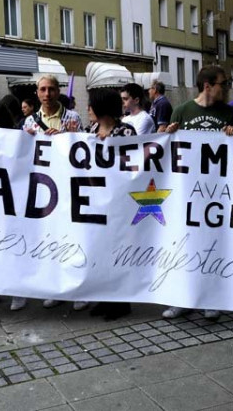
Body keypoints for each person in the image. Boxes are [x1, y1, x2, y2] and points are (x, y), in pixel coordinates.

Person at [164, 65, 233, 320]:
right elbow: (167, 150)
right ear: (208, 85)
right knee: (183, 244)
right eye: (223, 83)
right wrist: (167, 134)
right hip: (187, 191)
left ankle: (210, 298)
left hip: (216, 191)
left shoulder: (229, 113)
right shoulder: (182, 111)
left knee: (213, 245)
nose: (226, 88)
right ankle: (182, 298)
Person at [21, 74, 83, 311]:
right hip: (45, 189)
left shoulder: (73, 118)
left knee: (73, 238)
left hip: (70, 185)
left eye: (51, 89)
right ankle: (54, 288)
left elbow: (85, 147)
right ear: (37, 93)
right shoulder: (29, 122)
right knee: (49, 239)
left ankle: (78, 290)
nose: (47, 94)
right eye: (43, 90)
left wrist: (67, 138)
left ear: (59, 91)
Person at [82, 89, 138, 321]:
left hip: (118, 201)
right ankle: (104, 297)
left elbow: (134, 161)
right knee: (100, 250)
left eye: (92, 105)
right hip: (96, 200)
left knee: (116, 250)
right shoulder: (91, 131)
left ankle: (120, 301)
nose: (89, 109)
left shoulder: (126, 131)